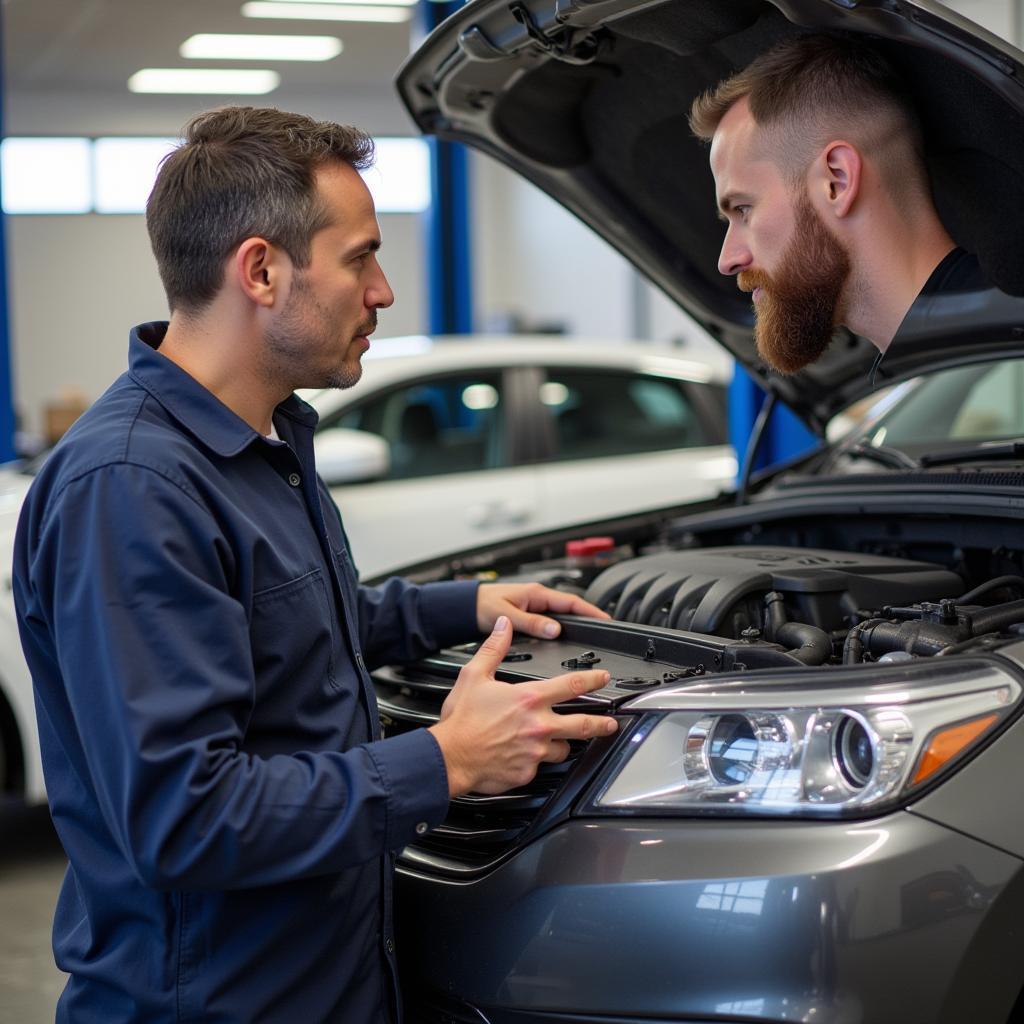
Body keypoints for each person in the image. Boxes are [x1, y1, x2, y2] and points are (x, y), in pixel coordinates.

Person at [12, 106, 618, 1024]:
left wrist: (471, 603)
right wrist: (445, 761)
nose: (382, 292)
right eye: (360, 258)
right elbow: (186, 817)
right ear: (260, 270)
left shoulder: (263, 442)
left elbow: (294, 626)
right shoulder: (132, 488)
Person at [689, 32, 989, 382]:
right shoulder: (936, 383)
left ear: (838, 180)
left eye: (743, 209)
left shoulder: (1004, 370)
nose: (728, 260)